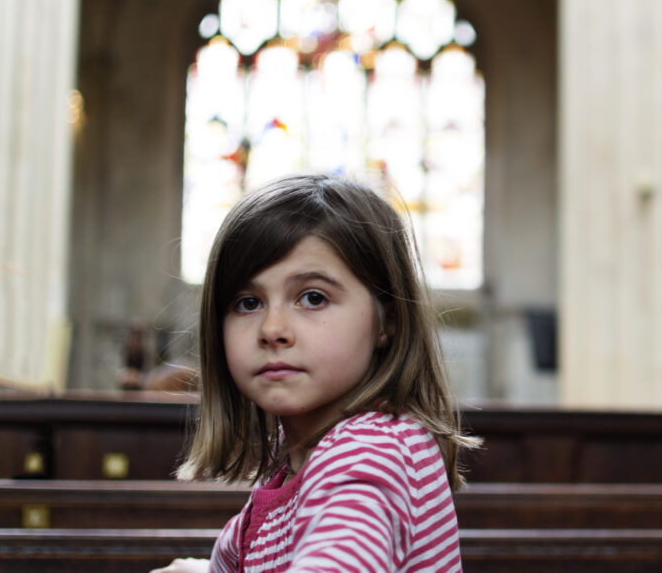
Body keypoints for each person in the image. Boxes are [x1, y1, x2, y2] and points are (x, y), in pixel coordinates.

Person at [151, 173, 479, 573]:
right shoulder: (299, 454)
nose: (272, 330)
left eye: (312, 298)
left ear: (386, 322)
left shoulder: (369, 456)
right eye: (248, 302)